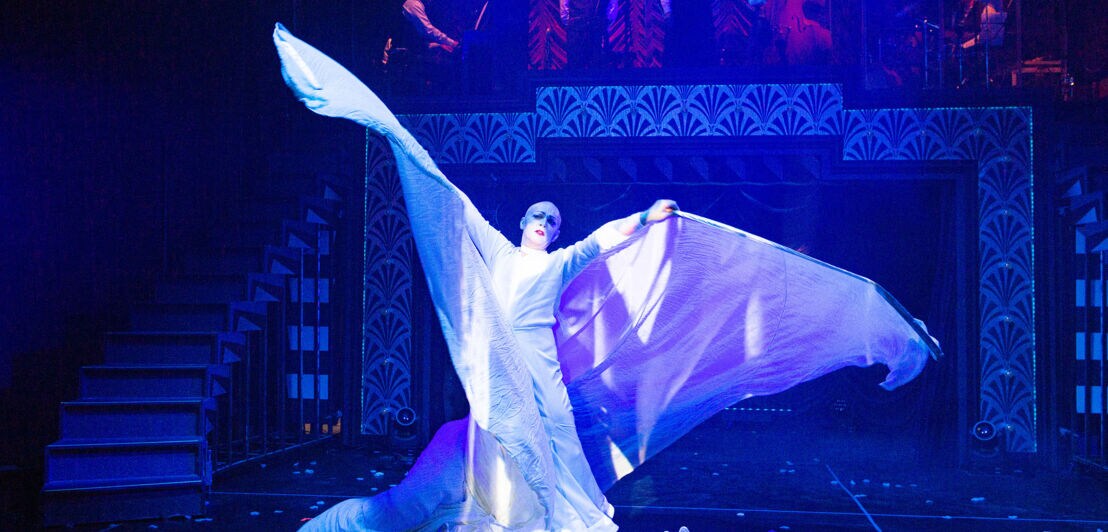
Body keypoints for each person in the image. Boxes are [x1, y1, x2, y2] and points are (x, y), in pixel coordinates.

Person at [274, 23, 939, 531]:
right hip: (497, 385)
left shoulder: (561, 262)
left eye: (551, 219)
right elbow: (446, 195)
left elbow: (600, 240)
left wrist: (647, 217)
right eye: (537, 216)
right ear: (522, 223)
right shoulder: (496, 253)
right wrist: (386, 124)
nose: (543, 222)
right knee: (449, 478)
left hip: (540, 383)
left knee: (550, 465)